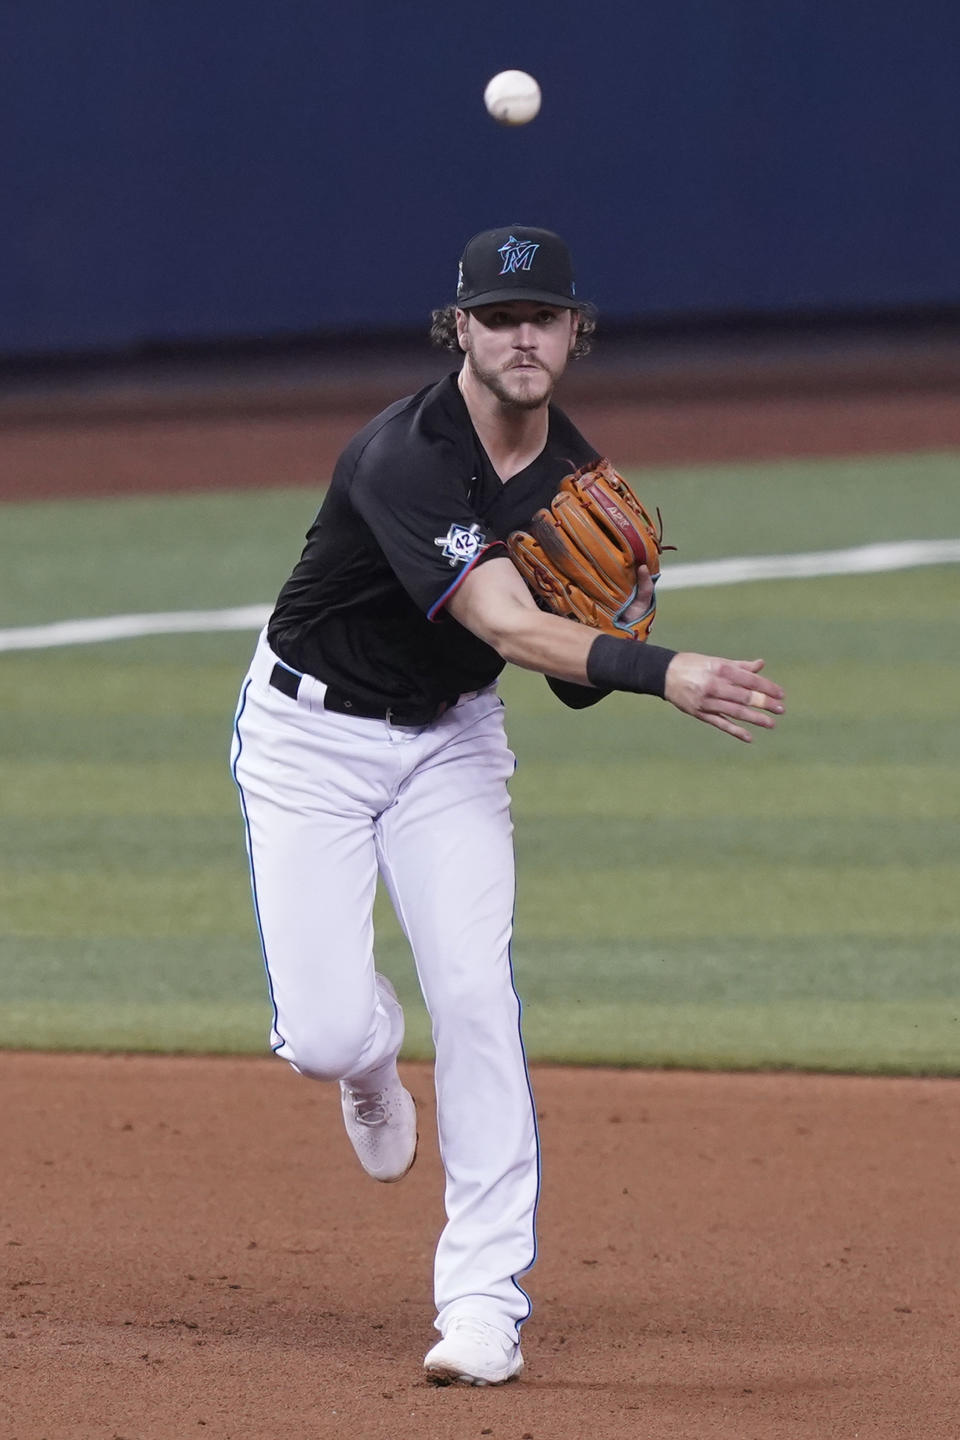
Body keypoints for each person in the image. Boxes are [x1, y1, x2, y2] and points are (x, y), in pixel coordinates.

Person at [230, 224, 785, 1387]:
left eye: (544, 317)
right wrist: (664, 667)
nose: (523, 337)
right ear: (460, 330)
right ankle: (371, 1067)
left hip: (450, 750)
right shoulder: (407, 455)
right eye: (500, 318)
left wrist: (615, 628)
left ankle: (482, 1303)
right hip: (308, 741)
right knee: (327, 1034)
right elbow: (505, 624)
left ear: (576, 331)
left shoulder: (575, 476)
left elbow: (553, 677)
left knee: (478, 998)